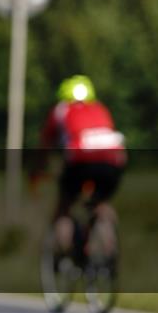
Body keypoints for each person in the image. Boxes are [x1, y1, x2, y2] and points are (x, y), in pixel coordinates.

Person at [38, 75, 126, 257]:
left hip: (80, 163)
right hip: (113, 162)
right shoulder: (100, 108)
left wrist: (36, 171)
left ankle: (65, 253)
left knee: (65, 207)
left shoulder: (61, 110)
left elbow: (45, 146)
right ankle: (109, 253)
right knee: (101, 204)